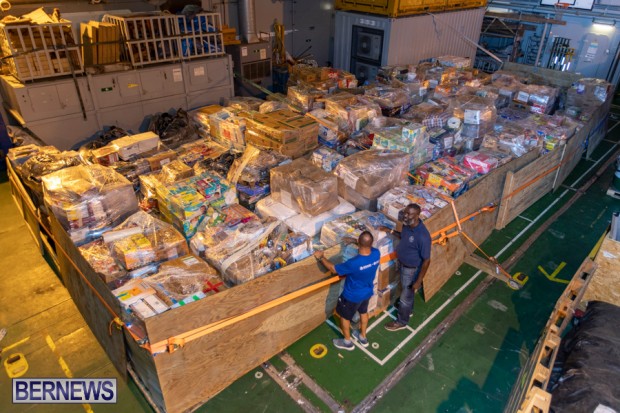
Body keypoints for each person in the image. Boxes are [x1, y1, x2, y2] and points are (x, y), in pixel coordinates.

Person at [314, 231, 380, 351]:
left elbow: (333, 269)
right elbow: (366, 246)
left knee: (345, 318)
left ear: (359, 243)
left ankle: (347, 342)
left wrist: (321, 257)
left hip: (351, 297)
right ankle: (363, 337)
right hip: (366, 293)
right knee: (363, 313)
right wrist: (355, 241)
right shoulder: (376, 253)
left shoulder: (354, 263)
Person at [378, 203, 431, 331]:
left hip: (411, 269)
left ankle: (401, 321)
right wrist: (390, 230)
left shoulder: (423, 236)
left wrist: (418, 281)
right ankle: (408, 310)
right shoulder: (407, 225)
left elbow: (427, 260)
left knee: (405, 296)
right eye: (405, 212)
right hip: (403, 264)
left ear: (417, 216)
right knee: (406, 293)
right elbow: (404, 236)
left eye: (409, 214)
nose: (405, 216)